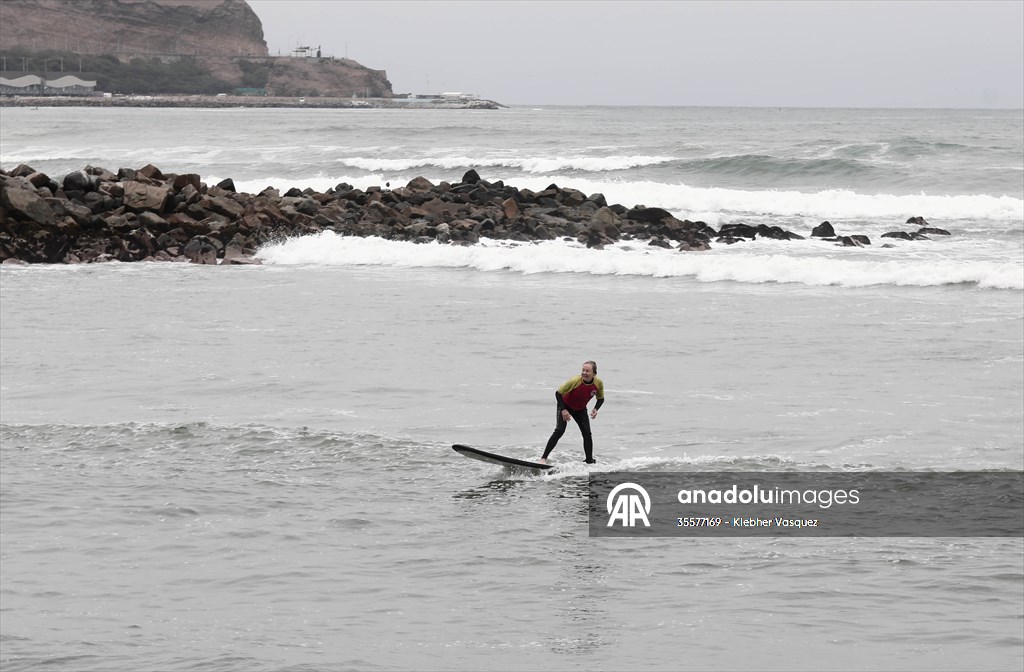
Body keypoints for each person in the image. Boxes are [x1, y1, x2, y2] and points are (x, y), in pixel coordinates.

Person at [539, 361, 604, 464]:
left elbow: (600, 399)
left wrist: (596, 409)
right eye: (583, 370)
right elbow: (558, 393)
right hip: (565, 405)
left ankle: (589, 461)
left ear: (594, 373)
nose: (584, 373)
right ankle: (543, 458)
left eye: (588, 371)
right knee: (559, 430)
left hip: (580, 409)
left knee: (587, 433)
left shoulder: (598, 383)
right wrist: (564, 410)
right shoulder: (575, 381)